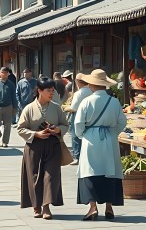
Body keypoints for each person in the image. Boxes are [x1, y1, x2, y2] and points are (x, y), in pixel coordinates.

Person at [75, 69, 127, 221]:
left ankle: (92, 207)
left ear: (92, 84)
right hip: (109, 138)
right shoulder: (114, 101)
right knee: (109, 171)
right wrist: (112, 132)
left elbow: (78, 124)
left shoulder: (86, 101)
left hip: (90, 138)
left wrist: (82, 135)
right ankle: (109, 207)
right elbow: (122, 122)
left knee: (90, 172)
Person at [17, 79, 68, 220]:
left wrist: (57, 129)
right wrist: (35, 134)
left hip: (53, 145)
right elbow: (20, 128)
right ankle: (36, 207)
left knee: (51, 175)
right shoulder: (29, 108)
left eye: (53, 90)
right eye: (48, 90)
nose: (51, 93)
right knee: (34, 176)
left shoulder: (57, 108)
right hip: (34, 146)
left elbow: (65, 125)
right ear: (39, 90)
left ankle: (46, 206)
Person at [64, 73, 92, 165]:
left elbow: (73, 108)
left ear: (78, 82)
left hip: (77, 115)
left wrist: (65, 108)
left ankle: (77, 156)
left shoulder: (79, 93)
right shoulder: (91, 91)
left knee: (75, 135)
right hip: (89, 116)